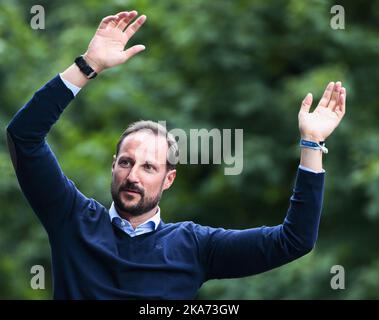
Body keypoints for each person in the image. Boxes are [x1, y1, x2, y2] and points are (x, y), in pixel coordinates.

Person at [6, 10, 346, 299]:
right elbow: (23, 137)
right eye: (126, 162)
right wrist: (88, 64)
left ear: (169, 178)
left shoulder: (195, 246)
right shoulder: (72, 219)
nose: (133, 175)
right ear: (113, 167)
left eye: (149, 167)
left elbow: (295, 240)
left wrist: (311, 144)